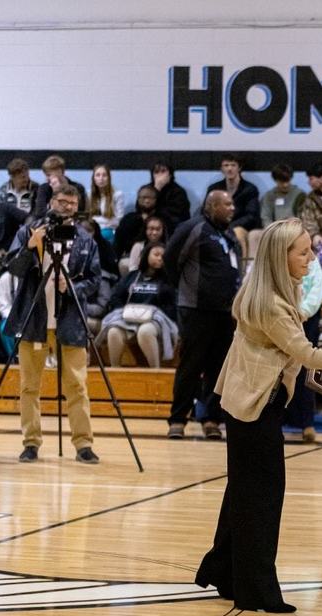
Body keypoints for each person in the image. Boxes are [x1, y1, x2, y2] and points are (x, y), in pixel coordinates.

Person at [194, 218, 322, 613]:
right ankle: (257, 592)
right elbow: (308, 355)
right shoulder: (271, 304)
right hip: (255, 406)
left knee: (243, 493)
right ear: (278, 257)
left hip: (247, 400)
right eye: (302, 252)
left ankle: (224, 571)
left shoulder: (270, 290)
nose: (311, 257)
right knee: (262, 499)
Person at [5, 185, 101, 464]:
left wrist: (70, 287)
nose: (68, 206)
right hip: (34, 319)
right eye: (62, 201)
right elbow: (13, 268)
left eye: (73, 203)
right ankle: (31, 442)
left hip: (70, 322)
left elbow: (94, 280)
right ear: (51, 201)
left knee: (77, 386)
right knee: (29, 386)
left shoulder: (85, 239)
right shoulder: (30, 231)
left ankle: (83, 444)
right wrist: (30, 247)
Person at [164, 190, 242, 440]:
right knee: (190, 365)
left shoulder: (229, 235)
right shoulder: (193, 228)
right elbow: (170, 258)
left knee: (218, 368)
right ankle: (178, 419)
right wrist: (185, 288)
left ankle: (211, 419)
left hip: (224, 312)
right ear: (211, 206)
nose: (232, 208)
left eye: (232, 204)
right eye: (227, 204)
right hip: (195, 309)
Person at [99, 242, 177, 368]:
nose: (160, 258)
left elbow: (172, 306)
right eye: (156, 254)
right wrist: (123, 311)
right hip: (129, 317)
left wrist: (154, 314)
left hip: (156, 319)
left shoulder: (169, 278)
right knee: (113, 331)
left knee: (145, 332)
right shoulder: (133, 276)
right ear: (146, 255)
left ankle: (155, 371)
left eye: (163, 256)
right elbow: (116, 297)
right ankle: (115, 372)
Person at [282, 256, 322, 443]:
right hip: (279, 318)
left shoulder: (312, 260)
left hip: (306, 319)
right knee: (276, 371)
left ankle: (307, 423)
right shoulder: (272, 255)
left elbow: (319, 289)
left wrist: (302, 312)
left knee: (306, 370)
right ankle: (275, 422)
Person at [206, 154, 261, 260]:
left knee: (237, 234)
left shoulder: (250, 189)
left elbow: (251, 215)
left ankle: (241, 272)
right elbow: (207, 211)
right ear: (222, 169)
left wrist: (231, 226)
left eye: (233, 165)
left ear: (239, 168)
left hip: (241, 227)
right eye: (226, 165)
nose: (229, 169)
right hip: (217, 226)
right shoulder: (214, 189)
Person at [31, 155, 87, 221]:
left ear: (60, 171)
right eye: (46, 175)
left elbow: (80, 212)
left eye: (49, 175)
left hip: (73, 221)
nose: (47, 179)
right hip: (50, 222)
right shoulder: (44, 188)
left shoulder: (78, 187)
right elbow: (39, 213)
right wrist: (55, 193)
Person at [144, 161, 192, 230]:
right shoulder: (147, 189)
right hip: (150, 223)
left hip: (170, 225)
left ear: (170, 174)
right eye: (156, 172)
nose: (160, 175)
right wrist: (156, 190)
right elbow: (141, 208)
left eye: (163, 171)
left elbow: (177, 213)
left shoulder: (178, 191)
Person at [87, 164, 125, 242]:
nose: (101, 178)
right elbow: (86, 217)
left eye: (104, 175)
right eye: (98, 175)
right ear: (93, 178)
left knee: (105, 234)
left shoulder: (117, 194)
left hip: (109, 230)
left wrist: (96, 221)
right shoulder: (89, 194)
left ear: (109, 178)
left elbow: (119, 219)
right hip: (92, 230)